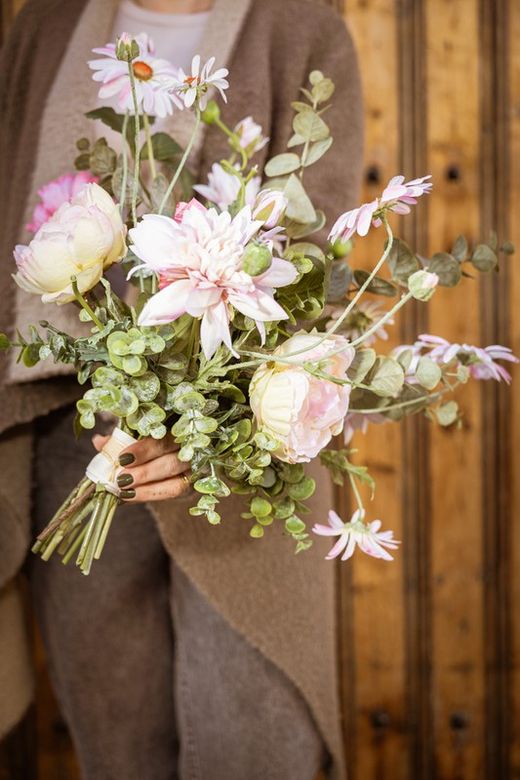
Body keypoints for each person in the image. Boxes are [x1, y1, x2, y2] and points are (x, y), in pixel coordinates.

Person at [0, 0, 363, 777]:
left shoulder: (301, 26)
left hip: (242, 436)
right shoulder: (45, 26)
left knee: (252, 733)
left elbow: (318, 257)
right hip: (75, 434)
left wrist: (217, 413)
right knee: (114, 734)